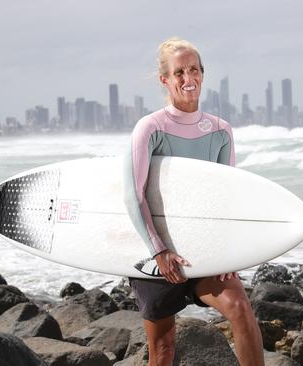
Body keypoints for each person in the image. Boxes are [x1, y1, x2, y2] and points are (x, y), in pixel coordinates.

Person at [124, 37, 264, 366]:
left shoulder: (219, 131)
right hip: (155, 256)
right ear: (165, 79)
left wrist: (228, 252)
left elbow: (223, 198)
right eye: (179, 72)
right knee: (163, 348)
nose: (188, 78)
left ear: (203, 73)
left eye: (194, 70)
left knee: (241, 309)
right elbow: (134, 194)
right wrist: (159, 250)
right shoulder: (150, 128)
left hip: (203, 251)